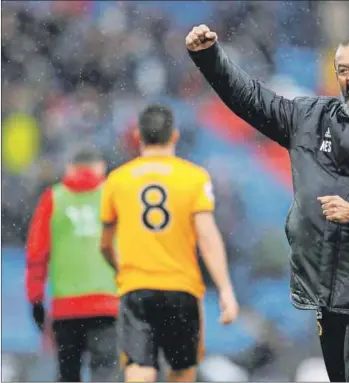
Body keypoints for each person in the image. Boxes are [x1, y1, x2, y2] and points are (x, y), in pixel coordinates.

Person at [186, 25, 349, 382]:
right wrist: (210, 59)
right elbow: (252, 100)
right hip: (328, 289)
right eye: (343, 70)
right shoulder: (311, 118)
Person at [99, 104, 239, 382]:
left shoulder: (117, 180)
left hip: (137, 286)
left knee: (139, 366)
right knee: (182, 368)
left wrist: (120, 269)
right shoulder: (194, 177)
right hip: (181, 287)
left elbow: (104, 243)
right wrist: (225, 289)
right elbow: (207, 237)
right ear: (173, 136)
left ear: (138, 137)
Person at [25, 147, 119, 382]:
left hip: (66, 308)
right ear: (101, 168)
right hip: (107, 305)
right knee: (106, 372)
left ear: (70, 169)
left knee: (68, 375)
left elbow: (36, 255)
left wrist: (36, 301)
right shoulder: (113, 195)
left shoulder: (53, 198)